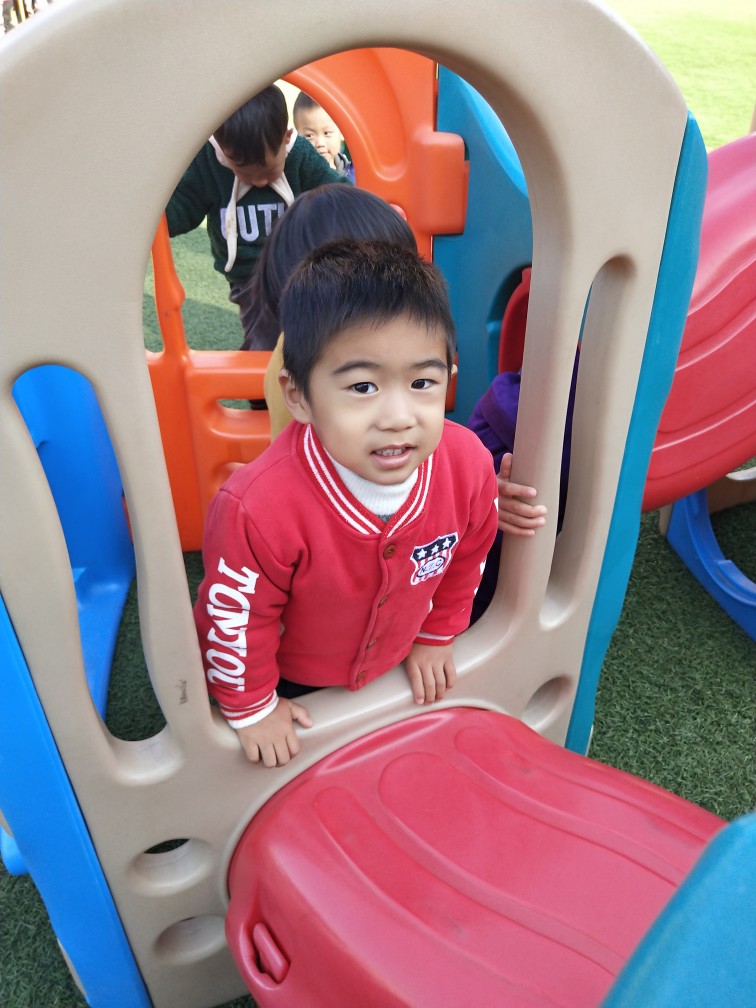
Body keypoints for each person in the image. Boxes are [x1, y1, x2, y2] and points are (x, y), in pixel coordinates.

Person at [194, 237, 537, 768]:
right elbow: (236, 615)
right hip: (297, 681)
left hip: (397, 664)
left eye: (422, 382)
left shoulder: (466, 464)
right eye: (362, 388)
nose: (398, 416)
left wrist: (437, 634)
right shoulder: (257, 507)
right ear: (298, 395)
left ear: (450, 375)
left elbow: (468, 553)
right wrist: (254, 706)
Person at [165, 85, 350, 349]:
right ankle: (261, 369)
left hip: (301, 268)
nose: (260, 182)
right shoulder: (208, 161)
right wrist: (154, 222)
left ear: (286, 138)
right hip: (248, 278)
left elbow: (336, 193)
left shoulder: (299, 154)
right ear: (224, 149)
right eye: (246, 173)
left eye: (269, 170)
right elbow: (185, 205)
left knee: (318, 330)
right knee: (265, 338)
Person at [292, 90, 355, 182]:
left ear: (342, 132)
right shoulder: (296, 180)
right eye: (309, 135)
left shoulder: (355, 175)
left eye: (326, 133)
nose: (320, 143)